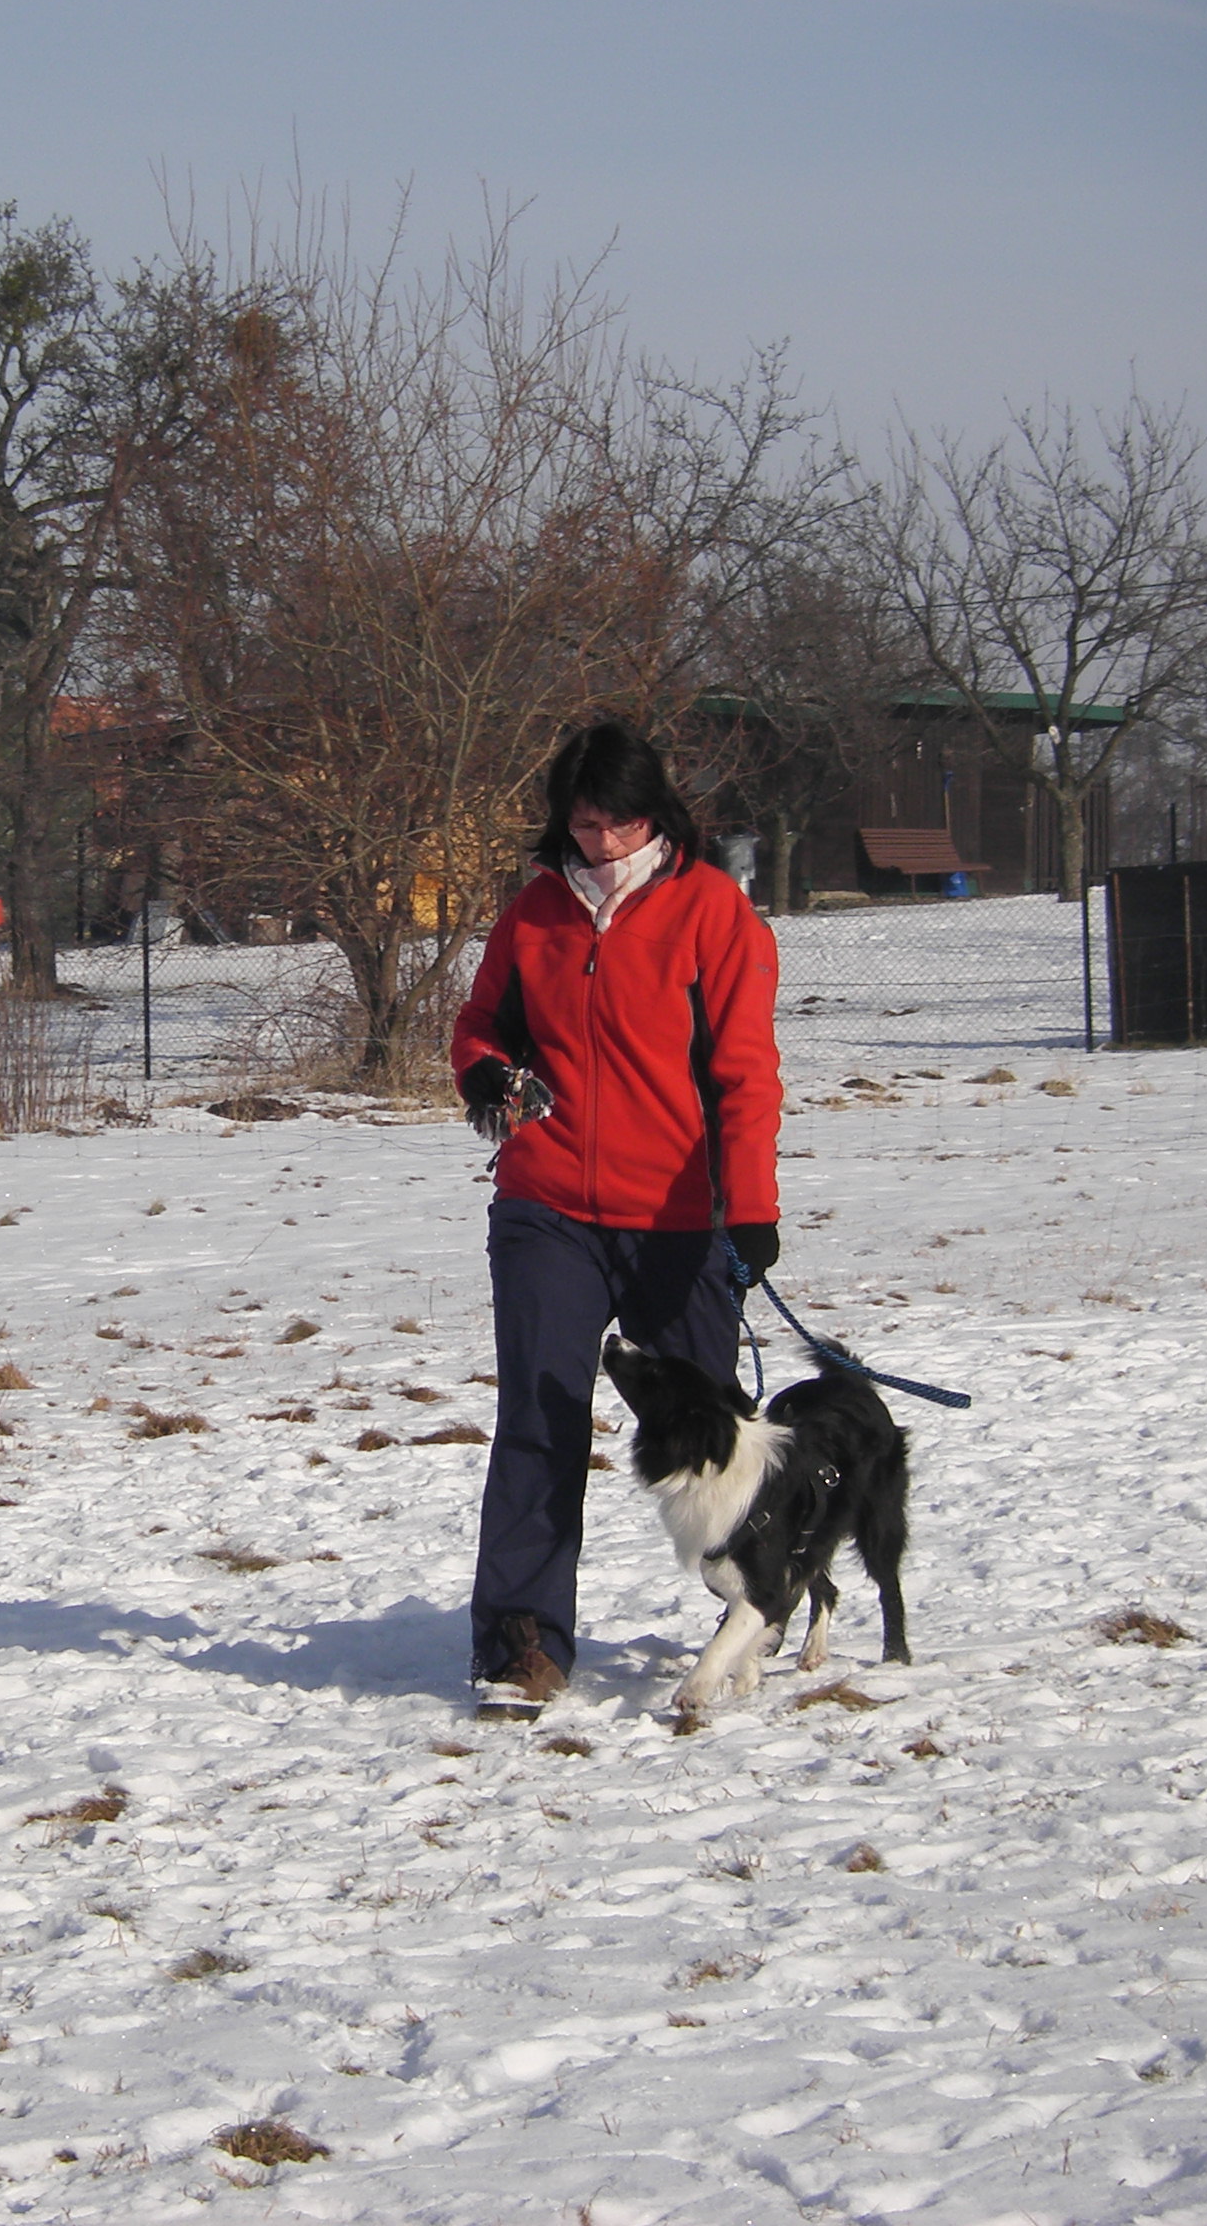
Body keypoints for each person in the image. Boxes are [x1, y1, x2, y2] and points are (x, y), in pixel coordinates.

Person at [448, 720, 784, 1711]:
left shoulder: (713, 912)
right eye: (585, 823)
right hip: (548, 1205)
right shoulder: (535, 913)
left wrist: (752, 1207)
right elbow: (480, 1027)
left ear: (657, 816)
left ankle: (758, 1600)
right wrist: (488, 1070)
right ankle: (523, 1645)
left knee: (714, 1431)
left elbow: (745, 1072)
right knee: (538, 1423)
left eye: (620, 824)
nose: (600, 843)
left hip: (681, 1218)